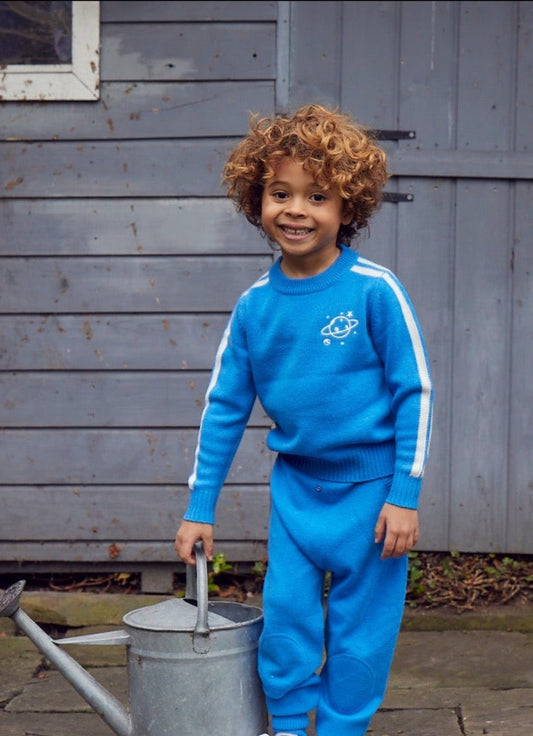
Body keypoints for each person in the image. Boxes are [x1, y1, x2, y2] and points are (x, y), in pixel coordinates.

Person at [175, 103, 433, 736]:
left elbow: (416, 393)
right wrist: (200, 507)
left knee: (361, 633)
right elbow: (224, 408)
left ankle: (342, 728)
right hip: (296, 495)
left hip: (373, 500)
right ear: (256, 200)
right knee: (287, 619)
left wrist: (404, 494)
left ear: (348, 207)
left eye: (318, 196)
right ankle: (289, 724)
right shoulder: (255, 307)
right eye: (280, 193)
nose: (296, 210)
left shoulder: (374, 289)